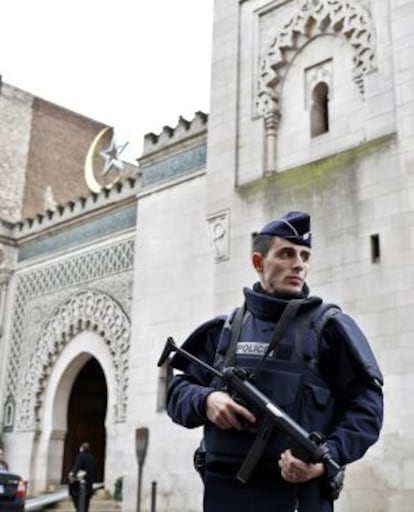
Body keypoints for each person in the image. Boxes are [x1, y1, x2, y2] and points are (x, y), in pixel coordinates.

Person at [166, 211, 384, 512]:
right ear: (258, 262)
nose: (299, 264)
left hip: (297, 496)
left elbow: (367, 410)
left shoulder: (329, 331)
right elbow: (176, 392)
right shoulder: (223, 331)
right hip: (225, 494)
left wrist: (324, 460)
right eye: (286, 253)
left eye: (305, 256)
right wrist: (206, 400)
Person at [68, 442, 97, 512]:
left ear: (81, 449)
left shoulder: (80, 456)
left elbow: (77, 467)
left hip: (79, 487)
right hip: (89, 486)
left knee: (79, 506)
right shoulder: (92, 458)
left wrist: (72, 475)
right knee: (86, 506)